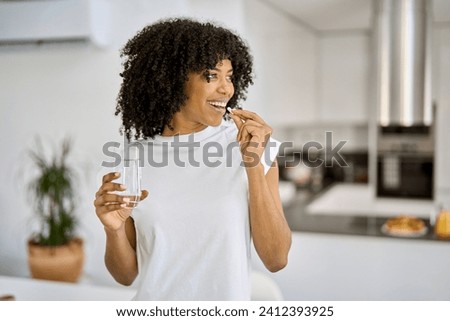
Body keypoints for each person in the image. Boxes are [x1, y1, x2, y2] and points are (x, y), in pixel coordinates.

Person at [94, 17, 291, 300]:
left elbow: (276, 258)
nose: (227, 89)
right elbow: (125, 276)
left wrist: (252, 165)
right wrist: (112, 230)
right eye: (211, 76)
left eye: (230, 76)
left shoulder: (252, 145)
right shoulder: (130, 159)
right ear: (173, 80)